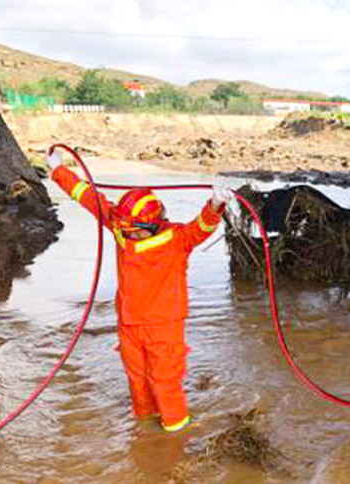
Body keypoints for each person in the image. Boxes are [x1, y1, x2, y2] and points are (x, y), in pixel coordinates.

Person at [46, 149, 231, 433]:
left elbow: (202, 227)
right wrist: (58, 170)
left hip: (163, 326)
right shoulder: (121, 227)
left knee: (165, 383)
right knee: (137, 381)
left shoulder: (177, 239)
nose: (126, 234)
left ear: (152, 225)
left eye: (132, 230)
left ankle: (175, 440)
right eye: (123, 228)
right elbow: (88, 197)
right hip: (129, 324)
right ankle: (144, 434)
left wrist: (216, 205)